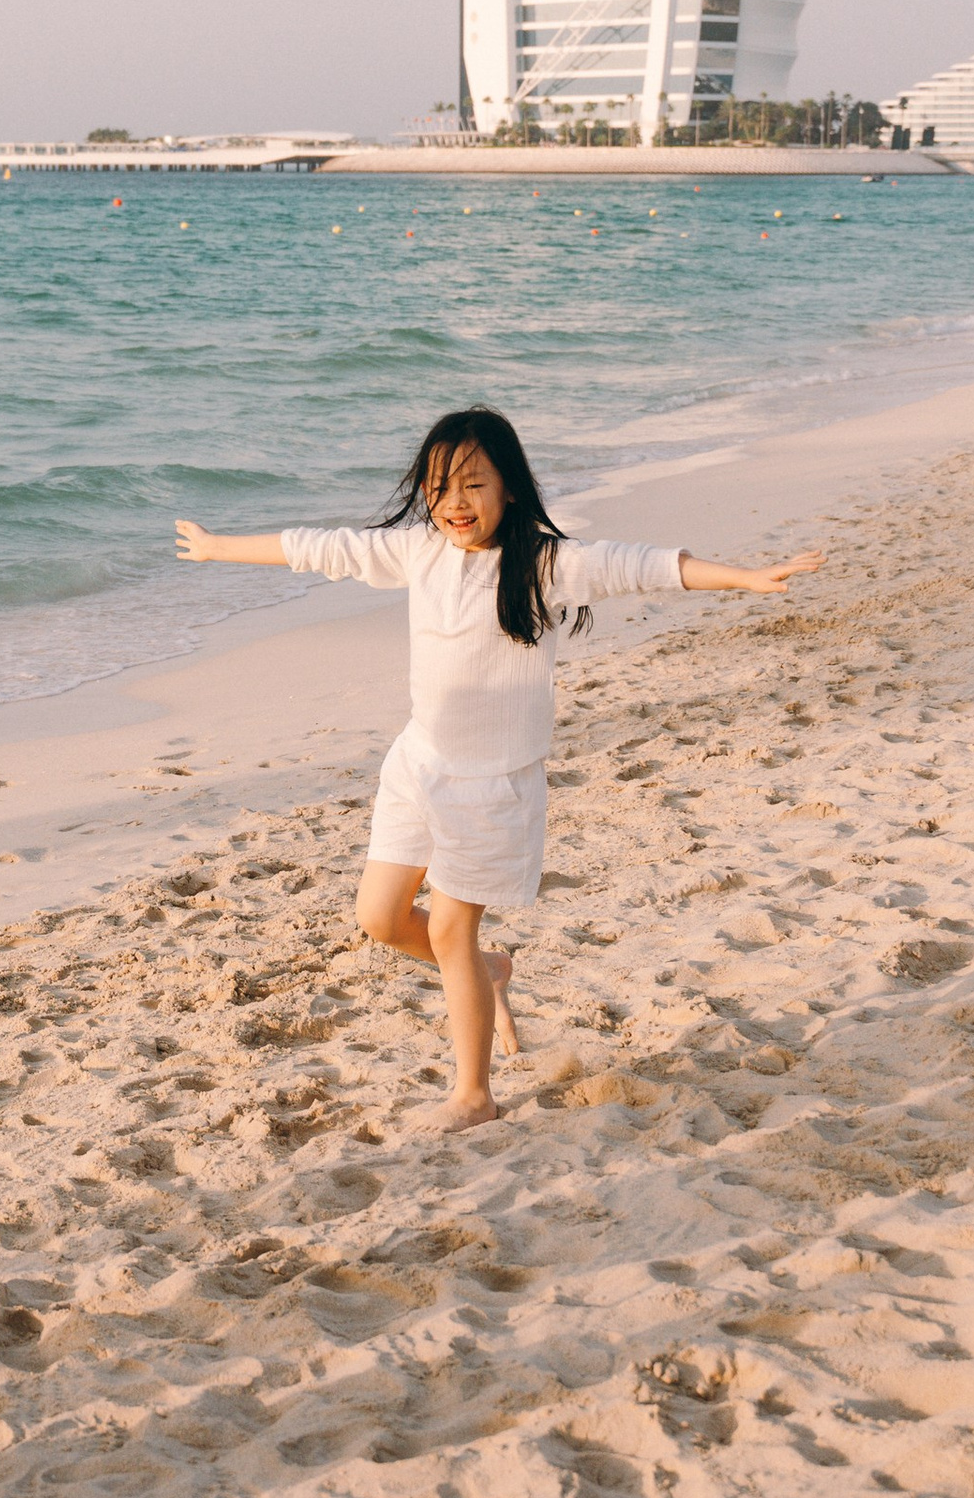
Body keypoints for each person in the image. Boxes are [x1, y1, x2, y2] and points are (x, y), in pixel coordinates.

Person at [176, 404, 824, 1131]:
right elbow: (324, 548)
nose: (455, 503)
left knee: (452, 930)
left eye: (474, 485)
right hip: (418, 765)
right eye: (440, 486)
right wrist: (218, 546)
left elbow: (640, 566)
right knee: (380, 920)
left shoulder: (544, 563)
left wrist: (742, 578)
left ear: (509, 487)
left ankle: (474, 1095)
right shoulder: (417, 552)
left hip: (493, 786)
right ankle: (489, 977)